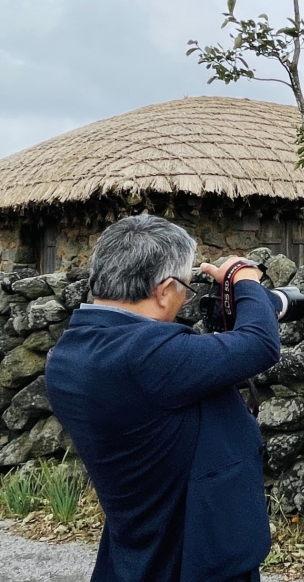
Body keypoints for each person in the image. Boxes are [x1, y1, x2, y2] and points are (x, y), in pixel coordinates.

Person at [46, 214, 282, 582]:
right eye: (185, 286)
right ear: (162, 289)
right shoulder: (146, 356)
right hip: (193, 558)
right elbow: (260, 344)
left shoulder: (70, 353)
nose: (185, 295)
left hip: (138, 547)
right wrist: (245, 279)